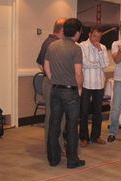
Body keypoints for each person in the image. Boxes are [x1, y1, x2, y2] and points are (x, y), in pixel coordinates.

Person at [44, 18, 85, 168]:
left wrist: (52, 79)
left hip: (55, 90)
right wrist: (80, 88)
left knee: (54, 125)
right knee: (72, 127)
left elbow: (46, 65)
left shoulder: (52, 46)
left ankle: (53, 159)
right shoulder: (76, 48)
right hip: (70, 92)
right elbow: (78, 73)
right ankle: (72, 160)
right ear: (77, 32)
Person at [36, 18, 67, 153]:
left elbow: (39, 63)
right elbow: (43, 65)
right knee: (55, 117)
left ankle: (52, 145)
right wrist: (53, 78)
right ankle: (55, 147)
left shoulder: (47, 42)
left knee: (53, 116)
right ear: (63, 30)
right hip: (53, 84)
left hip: (49, 82)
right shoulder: (55, 44)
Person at [79, 26, 109, 148]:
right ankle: (83, 138)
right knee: (84, 112)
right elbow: (84, 63)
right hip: (86, 83)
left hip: (99, 84)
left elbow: (106, 64)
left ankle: (96, 136)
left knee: (98, 112)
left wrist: (100, 52)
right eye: (95, 36)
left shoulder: (102, 48)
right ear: (90, 35)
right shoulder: (82, 46)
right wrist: (98, 64)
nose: (97, 39)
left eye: (99, 37)